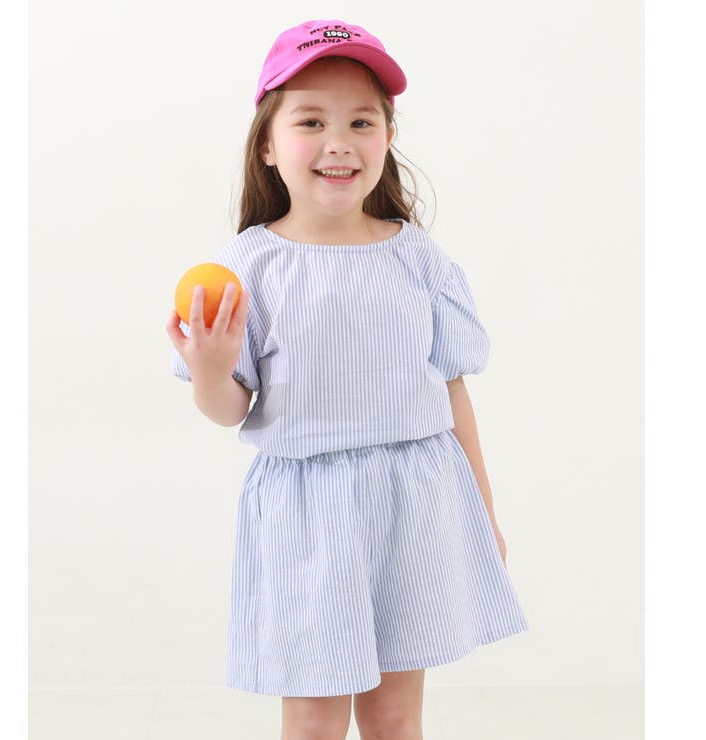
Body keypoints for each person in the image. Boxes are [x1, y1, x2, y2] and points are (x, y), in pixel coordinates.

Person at [166, 18, 529, 740]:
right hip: (307, 515)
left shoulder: (418, 259)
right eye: (311, 121)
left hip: (414, 505)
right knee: (313, 717)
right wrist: (210, 368)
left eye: (361, 121)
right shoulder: (247, 267)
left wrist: (484, 513)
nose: (339, 142)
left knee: (394, 715)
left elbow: (452, 391)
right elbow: (231, 408)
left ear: (387, 137)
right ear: (268, 145)